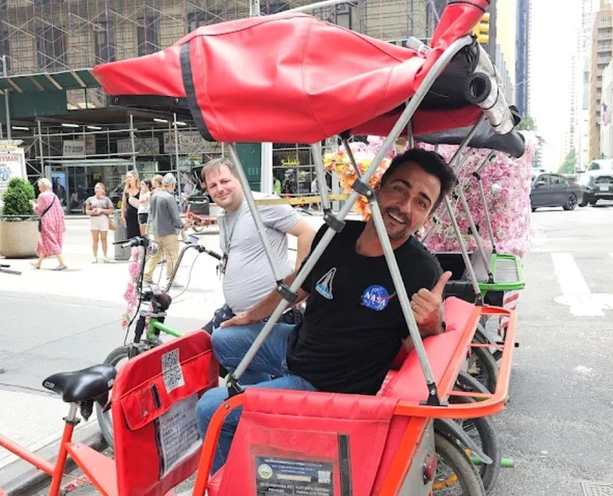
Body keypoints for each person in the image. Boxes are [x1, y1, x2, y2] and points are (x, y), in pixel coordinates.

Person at [195, 148, 456, 473]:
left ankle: (235, 473)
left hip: (329, 386)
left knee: (211, 409)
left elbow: (414, 352)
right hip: (298, 347)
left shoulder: (421, 270)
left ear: (427, 217)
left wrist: (431, 324)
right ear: (378, 188)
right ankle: (263, 432)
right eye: (399, 189)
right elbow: (297, 285)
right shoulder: (337, 235)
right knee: (222, 339)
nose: (404, 207)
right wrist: (251, 315)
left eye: (421, 202)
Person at [201, 158, 316, 334]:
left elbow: (307, 232)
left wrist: (298, 284)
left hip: (272, 315)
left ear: (239, 180)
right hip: (238, 313)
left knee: (216, 343)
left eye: (224, 181)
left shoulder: (262, 204)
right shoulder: (223, 216)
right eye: (213, 186)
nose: (220, 189)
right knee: (197, 343)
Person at [144, 173, 187, 285]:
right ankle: (170, 278)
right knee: (172, 256)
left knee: (155, 255)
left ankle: (146, 276)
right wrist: (183, 226)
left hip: (156, 231)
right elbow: (175, 217)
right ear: (172, 185)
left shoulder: (154, 196)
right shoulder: (169, 198)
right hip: (169, 231)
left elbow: (151, 214)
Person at [31, 178, 68, 270]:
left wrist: (33, 205)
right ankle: (38, 263)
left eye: (39, 186)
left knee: (50, 240)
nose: (39, 188)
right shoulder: (54, 196)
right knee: (45, 241)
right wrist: (63, 223)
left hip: (47, 220)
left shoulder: (42, 196)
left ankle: (62, 263)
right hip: (57, 220)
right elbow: (60, 210)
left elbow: (39, 209)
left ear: (44, 186)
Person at [85, 183, 113, 263]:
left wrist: (102, 210)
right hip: (94, 219)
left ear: (103, 190)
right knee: (95, 239)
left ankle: (105, 255)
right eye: (96, 188)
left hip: (103, 219)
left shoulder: (107, 200)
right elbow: (87, 211)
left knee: (104, 238)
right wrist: (92, 212)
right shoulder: (90, 199)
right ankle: (95, 256)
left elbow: (110, 210)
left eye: (98, 188)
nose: (97, 189)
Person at [121, 171, 141, 239]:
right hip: (129, 216)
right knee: (131, 235)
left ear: (135, 178)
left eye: (130, 177)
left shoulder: (140, 189)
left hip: (139, 215)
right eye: (127, 177)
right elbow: (123, 204)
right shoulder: (126, 191)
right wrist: (122, 216)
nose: (128, 179)